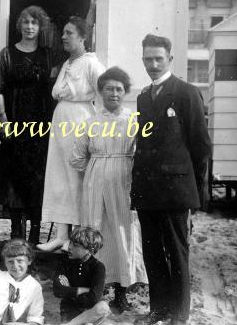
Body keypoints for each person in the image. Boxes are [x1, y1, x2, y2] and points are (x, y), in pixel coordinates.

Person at [131, 34, 211, 325]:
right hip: (148, 188)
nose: (153, 64)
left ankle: (179, 315)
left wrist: (196, 190)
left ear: (169, 59)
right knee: (152, 252)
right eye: (147, 59)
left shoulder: (186, 92)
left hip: (176, 189)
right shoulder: (143, 96)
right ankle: (159, 310)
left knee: (177, 253)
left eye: (158, 59)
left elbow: (201, 145)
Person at [70, 67, 147, 313]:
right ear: (100, 92)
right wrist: (97, 170)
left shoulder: (134, 120)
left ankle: (121, 294)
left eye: (119, 89)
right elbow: (77, 158)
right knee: (95, 231)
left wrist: (122, 169)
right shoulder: (90, 122)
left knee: (121, 233)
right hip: (95, 182)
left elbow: (142, 154)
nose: (114, 93)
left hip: (124, 181)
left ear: (125, 92)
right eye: (109, 88)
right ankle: (96, 290)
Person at [0, 5, 65, 244]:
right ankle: (15, 232)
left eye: (34, 23)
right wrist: (3, 118)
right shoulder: (7, 54)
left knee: (38, 176)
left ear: (40, 27)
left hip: (41, 124)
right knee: (14, 175)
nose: (29, 27)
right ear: (19, 26)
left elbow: (74, 51)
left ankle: (35, 233)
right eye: (26, 22)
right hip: (13, 121)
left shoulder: (48, 55)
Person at [38, 16, 105, 252]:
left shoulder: (91, 64)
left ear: (83, 37)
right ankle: (61, 235)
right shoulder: (67, 64)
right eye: (63, 33)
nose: (64, 37)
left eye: (69, 33)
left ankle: (77, 239)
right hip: (61, 123)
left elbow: (104, 96)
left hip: (79, 123)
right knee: (59, 179)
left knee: (76, 179)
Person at [52, 227, 110, 325]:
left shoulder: (98, 267)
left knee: (103, 307)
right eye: (70, 243)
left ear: (90, 250)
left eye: (75, 245)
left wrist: (70, 291)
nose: (69, 247)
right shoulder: (65, 263)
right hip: (70, 309)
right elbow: (58, 290)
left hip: (91, 311)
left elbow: (94, 299)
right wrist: (83, 290)